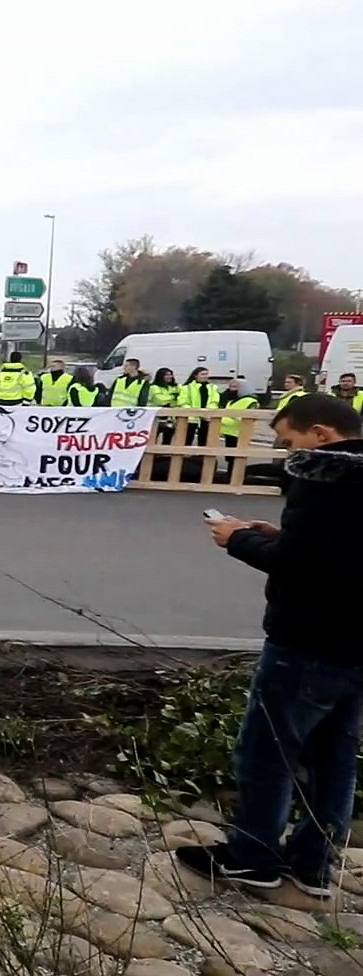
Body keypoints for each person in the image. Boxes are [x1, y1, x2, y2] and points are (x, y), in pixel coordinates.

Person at [178, 393, 363, 894]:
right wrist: (279, 535)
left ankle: (252, 857)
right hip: (356, 646)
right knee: (334, 758)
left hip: (308, 641)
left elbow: (302, 567)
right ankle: (313, 864)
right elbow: (339, 554)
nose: (286, 453)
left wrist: (237, 539)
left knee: (267, 752)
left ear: (321, 434)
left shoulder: (326, 481)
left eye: (289, 442)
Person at [180, 366, 224, 445]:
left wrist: (207, 411)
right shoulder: (187, 387)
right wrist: (195, 412)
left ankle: (202, 452)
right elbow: (183, 402)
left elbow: (215, 401)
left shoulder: (213, 387)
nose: (205, 376)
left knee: (204, 439)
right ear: (196, 376)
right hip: (191, 418)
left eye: (206, 374)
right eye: (203, 374)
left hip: (206, 417)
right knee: (187, 439)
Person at [220, 378, 260, 449]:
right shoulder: (231, 400)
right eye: (230, 387)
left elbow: (248, 419)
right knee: (229, 453)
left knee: (237, 453)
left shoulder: (251, 401)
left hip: (240, 433)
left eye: (235, 387)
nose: (231, 389)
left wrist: (226, 418)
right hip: (228, 432)